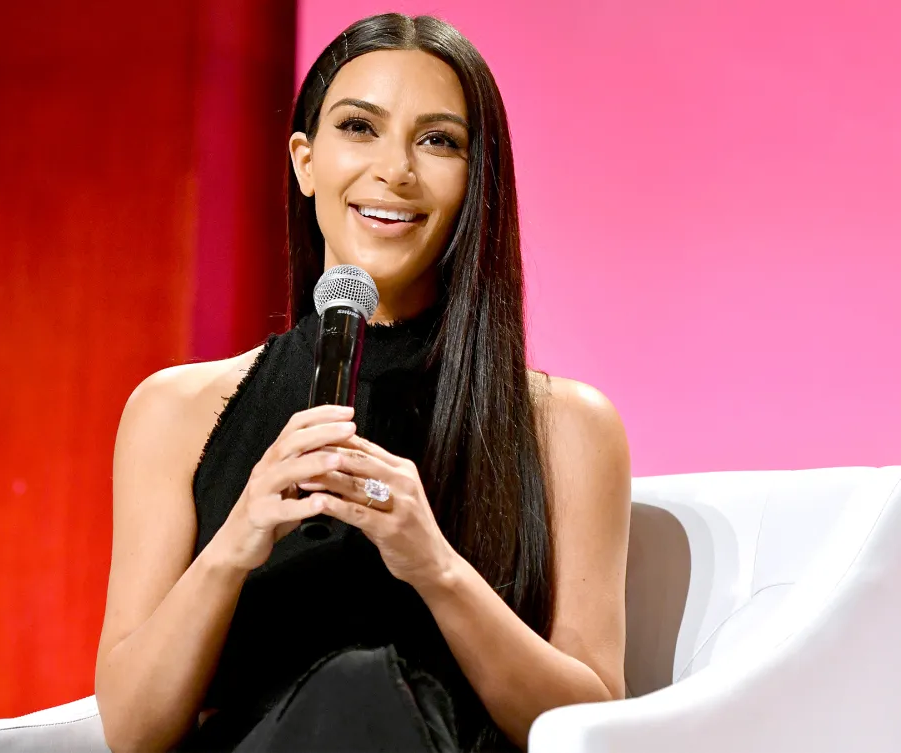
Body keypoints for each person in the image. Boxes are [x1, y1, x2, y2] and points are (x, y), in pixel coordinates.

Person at [93, 12, 631, 753]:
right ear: (306, 162)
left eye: (438, 140)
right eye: (359, 127)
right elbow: (132, 730)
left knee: (363, 687)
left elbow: (594, 720)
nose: (396, 169)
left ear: (477, 180)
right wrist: (236, 540)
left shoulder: (564, 425)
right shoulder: (176, 411)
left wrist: (436, 566)